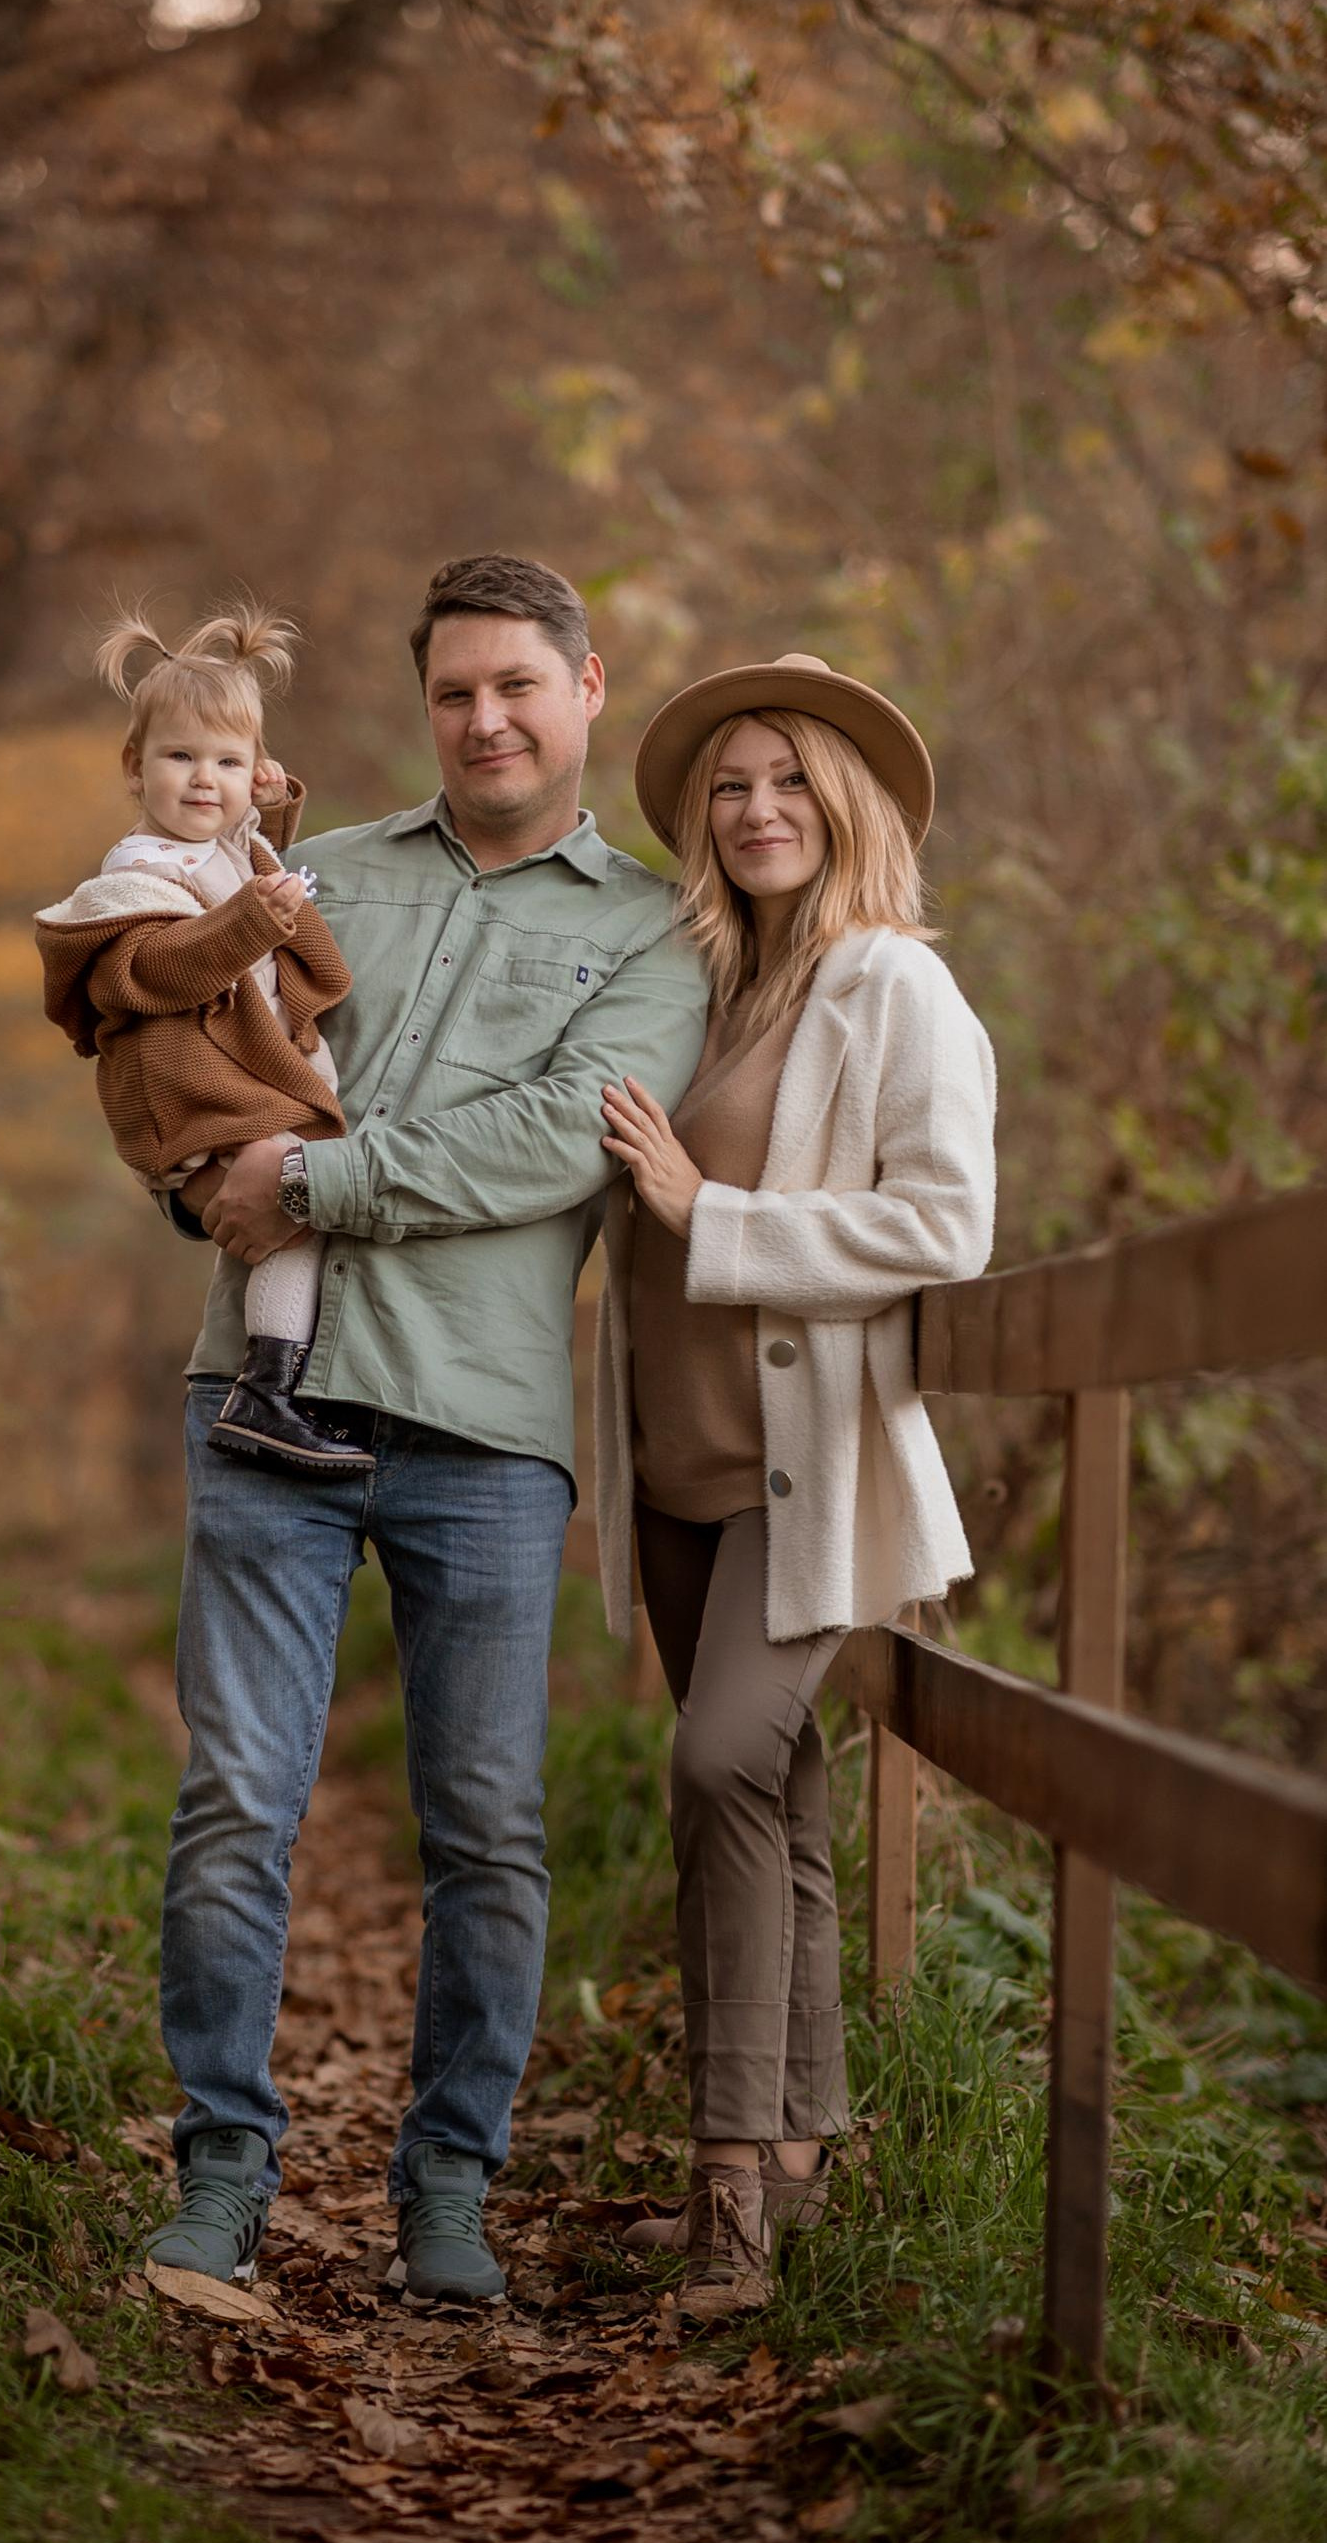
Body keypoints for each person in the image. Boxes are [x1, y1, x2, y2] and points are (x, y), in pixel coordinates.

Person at [144, 554, 710, 2303]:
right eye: (453, 691)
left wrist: (310, 1175)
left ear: (585, 687)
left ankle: (447, 2186)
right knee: (236, 1794)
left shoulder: (649, 930)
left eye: (514, 687)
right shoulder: (308, 876)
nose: (482, 720)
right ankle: (222, 2169)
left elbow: (559, 1140)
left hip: (481, 1427)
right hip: (262, 1391)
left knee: (485, 1821)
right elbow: (202, 1060)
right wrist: (200, 1179)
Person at [594, 652, 996, 2322]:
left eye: (785, 779)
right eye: (728, 786)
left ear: (844, 802)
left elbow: (943, 1224)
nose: (754, 810)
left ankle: (727, 2201)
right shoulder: (706, 981)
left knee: (711, 1766)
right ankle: (806, 2146)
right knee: (772, 1804)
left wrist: (711, 1212)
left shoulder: (891, 984)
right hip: (674, 1472)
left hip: (800, 1474)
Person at [33, 600, 376, 1477]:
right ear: (134, 766)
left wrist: (271, 811)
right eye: (180, 757)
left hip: (238, 1088)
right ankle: (265, 1393)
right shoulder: (137, 873)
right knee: (299, 1219)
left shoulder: (223, 847)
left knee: (306, 1214)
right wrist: (253, 917)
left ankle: (277, 1386)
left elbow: (253, 870)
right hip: (192, 1100)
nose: (202, 781)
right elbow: (164, 964)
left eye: (228, 763)